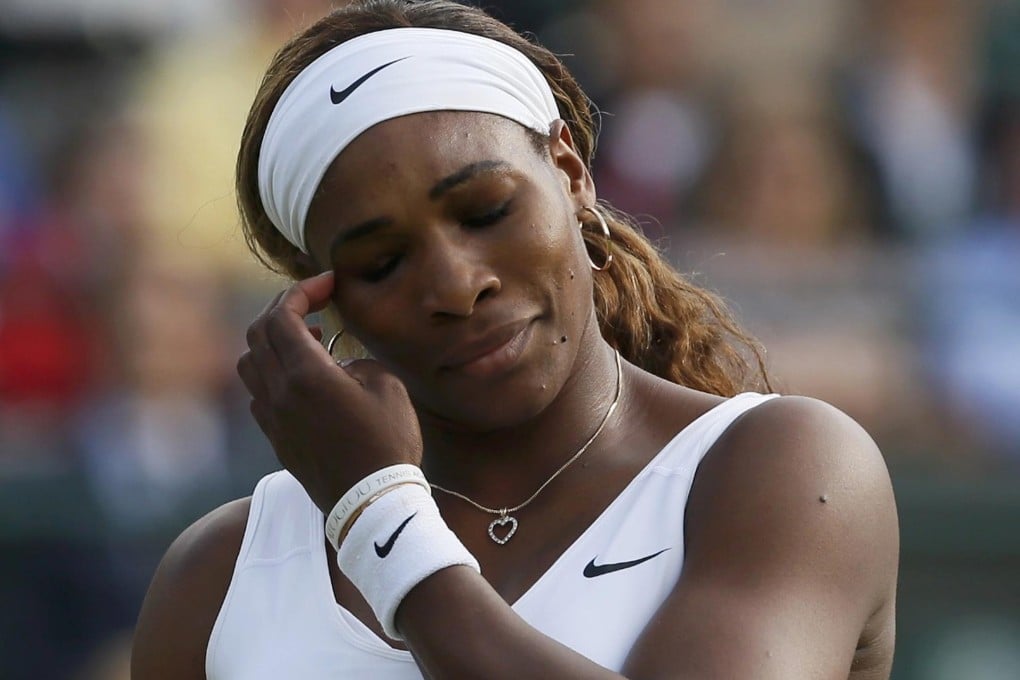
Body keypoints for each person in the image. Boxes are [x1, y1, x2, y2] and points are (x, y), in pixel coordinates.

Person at [131, 1, 899, 678]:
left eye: (486, 210)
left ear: (570, 173)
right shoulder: (219, 575)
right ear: (320, 297)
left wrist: (380, 523)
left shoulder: (787, 469)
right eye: (383, 262)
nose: (458, 286)